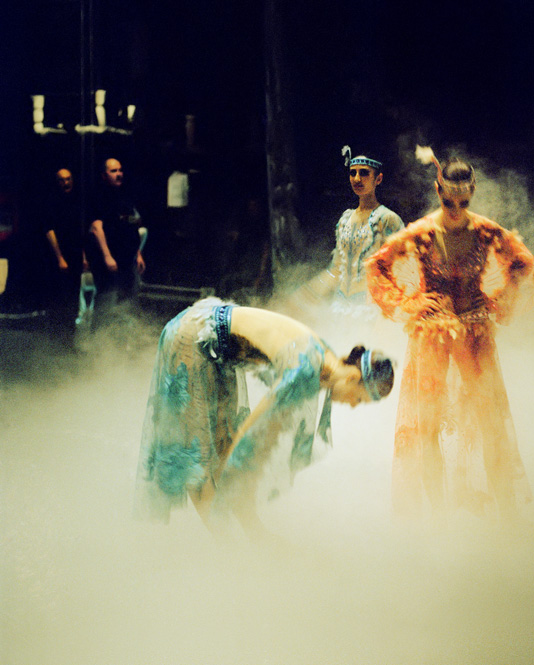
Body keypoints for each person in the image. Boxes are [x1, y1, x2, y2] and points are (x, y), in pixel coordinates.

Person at [366, 147, 534, 520]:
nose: (456, 210)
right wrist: (411, 303)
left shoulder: (486, 231)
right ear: (438, 191)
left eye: (463, 202)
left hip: (475, 334)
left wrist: (501, 299)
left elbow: (524, 263)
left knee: (491, 423)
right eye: (449, 202)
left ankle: (508, 515)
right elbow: (376, 266)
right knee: (428, 425)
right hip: (433, 335)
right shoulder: (422, 233)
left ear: (472, 191)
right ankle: (439, 517)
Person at [134, 297, 395, 537]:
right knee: (198, 453)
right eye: (359, 399)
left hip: (216, 342)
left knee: (226, 445)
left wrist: (244, 466)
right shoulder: (308, 368)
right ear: (352, 378)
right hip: (194, 336)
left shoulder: (324, 360)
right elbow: (252, 430)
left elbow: (264, 430)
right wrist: (239, 466)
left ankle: (252, 535)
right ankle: (227, 546)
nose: (353, 406)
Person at [302, 147, 403, 319]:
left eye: (364, 173)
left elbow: (402, 269)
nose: (357, 179)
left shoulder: (387, 219)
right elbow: (336, 267)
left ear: (378, 179)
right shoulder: (345, 219)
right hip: (340, 304)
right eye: (352, 173)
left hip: (372, 306)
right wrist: (310, 291)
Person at [84, 158, 146, 327]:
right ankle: (98, 337)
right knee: (106, 297)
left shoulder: (124, 196)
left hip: (126, 257)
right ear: (104, 175)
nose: (118, 174)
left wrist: (138, 254)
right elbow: (96, 228)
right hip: (107, 258)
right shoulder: (98, 196)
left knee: (126, 298)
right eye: (113, 171)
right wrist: (107, 256)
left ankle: (121, 337)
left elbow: (131, 226)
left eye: (120, 170)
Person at [42, 168, 85, 345]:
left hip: (75, 255)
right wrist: (60, 257)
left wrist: (83, 256)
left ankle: (69, 340)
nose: (66, 183)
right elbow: (49, 230)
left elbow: (80, 232)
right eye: (62, 180)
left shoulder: (76, 201)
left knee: (74, 298)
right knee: (60, 296)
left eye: (69, 179)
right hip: (60, 256)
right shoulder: (52, 202)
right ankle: (57, 340)